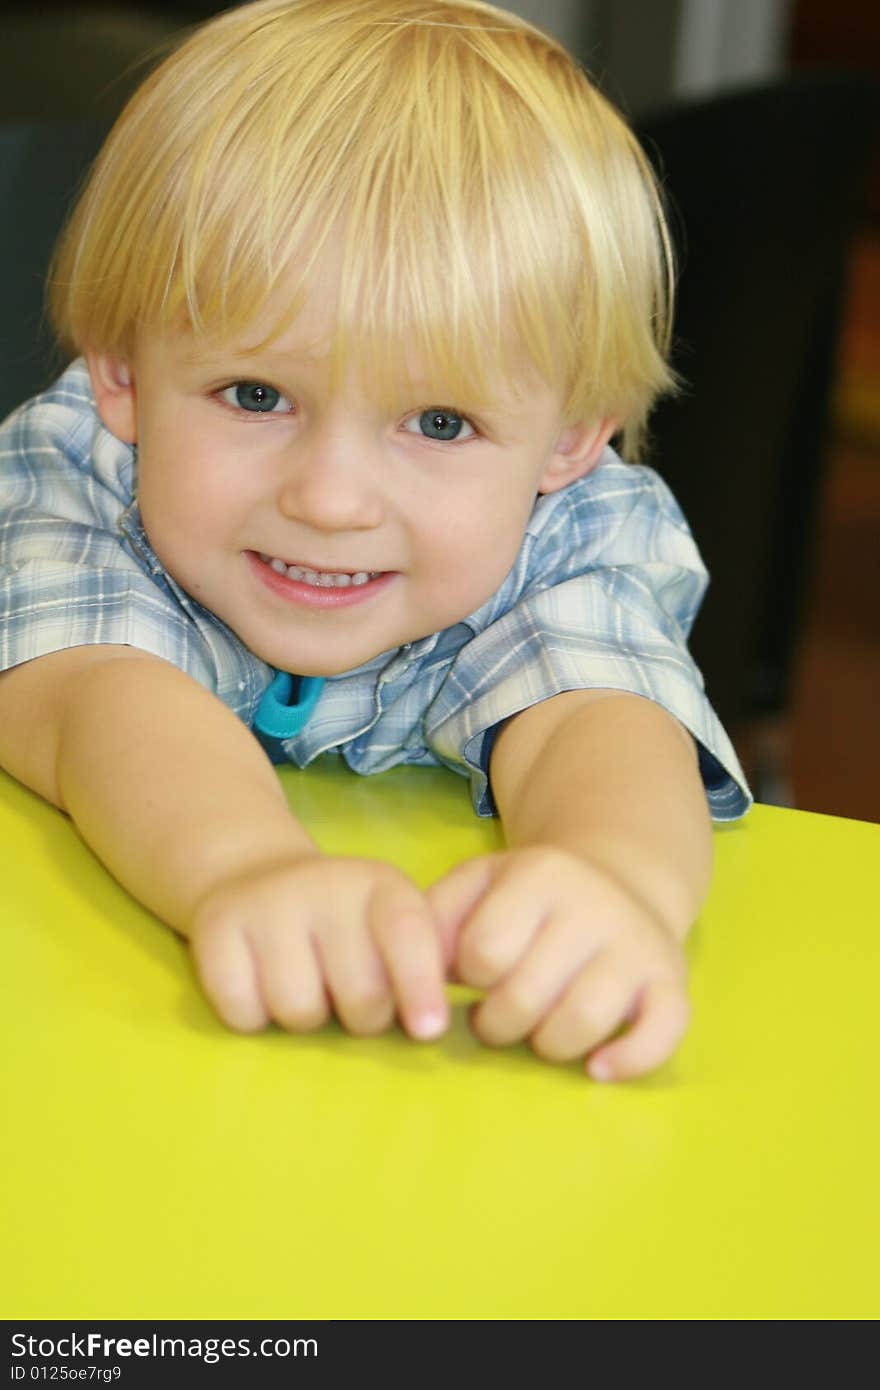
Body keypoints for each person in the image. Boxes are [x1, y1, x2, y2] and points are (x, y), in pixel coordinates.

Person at [0, 0, 750, 1081]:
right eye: (255, 394)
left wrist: (615, 882)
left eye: (440, 423)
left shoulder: (576, 526)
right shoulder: (78, 469)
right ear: (119, 374)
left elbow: (601, 718)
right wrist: (241, 867)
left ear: (571, 438)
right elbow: (95, 698)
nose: (332, 499)